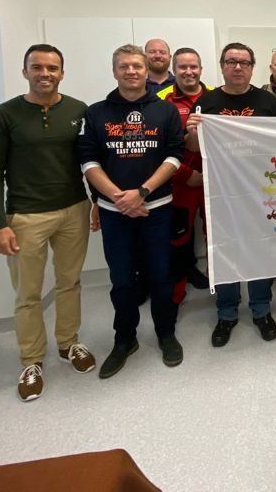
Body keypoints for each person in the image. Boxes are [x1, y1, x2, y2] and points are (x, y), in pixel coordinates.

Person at [0, 44, 95, 402]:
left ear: (62, 72)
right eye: (37, 67)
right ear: (25, 71)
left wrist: (95, 202)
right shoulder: (4, 115)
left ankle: (69, 343)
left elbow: (90, 160)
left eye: (52, 68)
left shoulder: (78, 111)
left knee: (69, 282)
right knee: (28, 293)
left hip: (74, 209)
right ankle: (31, 360)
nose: (45, 74)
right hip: (25, 216)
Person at [79, 44, 184, 378]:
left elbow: (174, 156)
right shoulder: (95, 113)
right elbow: (88, 161)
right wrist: (119, 198)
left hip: (157, 208)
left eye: (137, 66)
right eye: (124, 66)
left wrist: (142, 193)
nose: (131, 71)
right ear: (114, 71)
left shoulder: (165, 111)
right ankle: (124, 339)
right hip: (114, 212)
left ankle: (166, 333)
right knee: (122, 280)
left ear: (146, 70)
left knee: (161, 276)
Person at [186, 42, 276, 348]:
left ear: (252, 68)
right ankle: (226, 313)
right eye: (231, 61)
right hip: (222, 192)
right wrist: (192, 132)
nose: (238, 67)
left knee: (259, 249)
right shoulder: (207, 102)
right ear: (222, 66)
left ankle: (261, 310)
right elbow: (193, 148)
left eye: (244, 62)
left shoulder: (267, 101)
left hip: (259, 190)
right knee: (224, 250)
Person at [156, 47, 211, 301]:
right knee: (178, 237)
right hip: (181, 182)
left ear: (201, 69)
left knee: (216, 234)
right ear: (173, 69)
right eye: (183, 67)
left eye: (194, 67)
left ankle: (223, 289)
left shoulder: (214, 97)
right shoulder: (162, 100)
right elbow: (158, 147)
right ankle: (176, 295)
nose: (189, 72)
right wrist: (186, 174)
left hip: (215, 181)